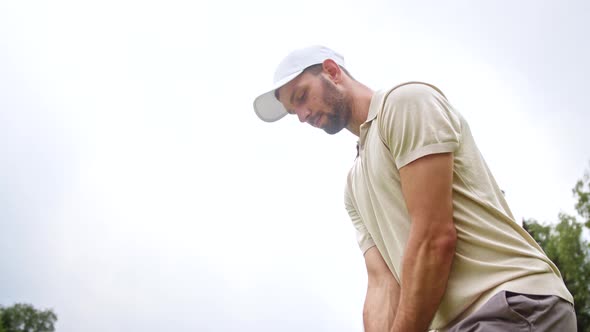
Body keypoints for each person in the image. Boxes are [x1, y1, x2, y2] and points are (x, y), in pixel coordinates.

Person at [252, 45, 576, 332]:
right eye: (294, 112)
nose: (303, 116)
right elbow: (382, 284)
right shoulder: (354, 186)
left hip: (509, 303)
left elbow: (434, 238)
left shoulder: (405, 103)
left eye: (302, 96)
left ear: (332, 72)